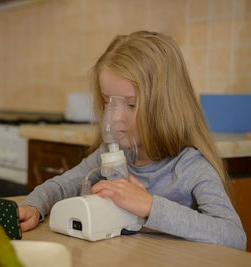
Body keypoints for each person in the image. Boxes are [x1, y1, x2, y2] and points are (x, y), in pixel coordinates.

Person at [18, 31, 246, 250]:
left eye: (131, 104)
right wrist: (35, 205)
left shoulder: (191, 168)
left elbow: (234, 237)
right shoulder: (111, 154)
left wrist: (149, 205)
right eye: (109, 102)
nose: (116, 116)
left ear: (165, 106)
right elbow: (62, 185)